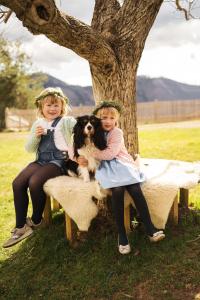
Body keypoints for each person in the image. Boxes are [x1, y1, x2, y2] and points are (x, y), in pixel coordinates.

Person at [3, 87, 77, 248]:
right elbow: (29, 149)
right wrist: (36, 136)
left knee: (35, 182)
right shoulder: (38, 123)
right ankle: (21, 226)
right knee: (18, 183)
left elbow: (81, 127)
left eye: (56, 105)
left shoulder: (66, 121)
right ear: (41, 108)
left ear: (62, 107)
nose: (52, 109)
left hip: (58, 162)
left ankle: (37, 220)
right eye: (48, 106)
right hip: (41, 160)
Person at [92, 101, 165, 255]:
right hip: (107, 168)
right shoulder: (93, 133)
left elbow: (110, 154)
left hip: (123, 164)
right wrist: (80, 156)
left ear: (116, 120)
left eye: (112, 118)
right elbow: (78, 147)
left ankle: (150, 229)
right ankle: (122, 234)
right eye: (104, 117)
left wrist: (92, 154)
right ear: (97, 119)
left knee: (135, 188)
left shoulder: (116, 133)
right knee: (117, 190)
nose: (107, 121)